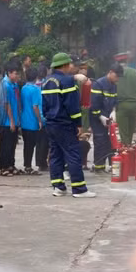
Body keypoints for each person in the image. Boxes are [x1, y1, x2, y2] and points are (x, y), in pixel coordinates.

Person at [42, 53, 94, 198]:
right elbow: (72, 106)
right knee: (73, 154)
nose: (72, 66)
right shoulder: (67, 82)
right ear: (65, 65)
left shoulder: (46, 81)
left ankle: (58, 187)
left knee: (55, 155)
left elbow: (44, 105)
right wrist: (78, 124)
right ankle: (79, 189)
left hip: (51, 124)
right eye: (70, 64)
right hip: (65, 124)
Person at [90, 64, 122, 173]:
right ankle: (98, 166)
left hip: (109, 118)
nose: (117, 79)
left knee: (111, 141)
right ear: (110, 72)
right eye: (116, 76)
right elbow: (94, 104)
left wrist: (113, 111)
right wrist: (100, 116)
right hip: (97, 118)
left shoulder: (113, 86)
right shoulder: (98, 84)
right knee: (100, 141)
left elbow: (114, 100)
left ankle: (111, 165)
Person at [113, 51, 136, 147]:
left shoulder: (115, 73)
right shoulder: (135, 72)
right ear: (127, 60)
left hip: (121, 105)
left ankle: (125, 149)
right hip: (134, 104)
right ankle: (129, 147)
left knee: (123, 131)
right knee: (131, 130)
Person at [19, 66, 43, 175]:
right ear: (36, 77)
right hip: (33, 122)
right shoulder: (36, 90)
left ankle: (27, 165)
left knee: (27, 145)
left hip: (24, 121)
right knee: (32, 145)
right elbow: (35, 107)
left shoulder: (23, 88)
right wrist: (39, 120)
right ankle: (29, 166)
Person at [0, 65, 21, 176]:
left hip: (15, 119)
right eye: (16, 73)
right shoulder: (4, 85)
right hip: (6, 121)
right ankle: (4, 166)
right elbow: (6, 104)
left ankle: (11, 164)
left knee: (12, 144)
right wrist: (11, 121)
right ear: (9, 73)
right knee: (5, 145)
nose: (17, 76)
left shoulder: (14, 85)